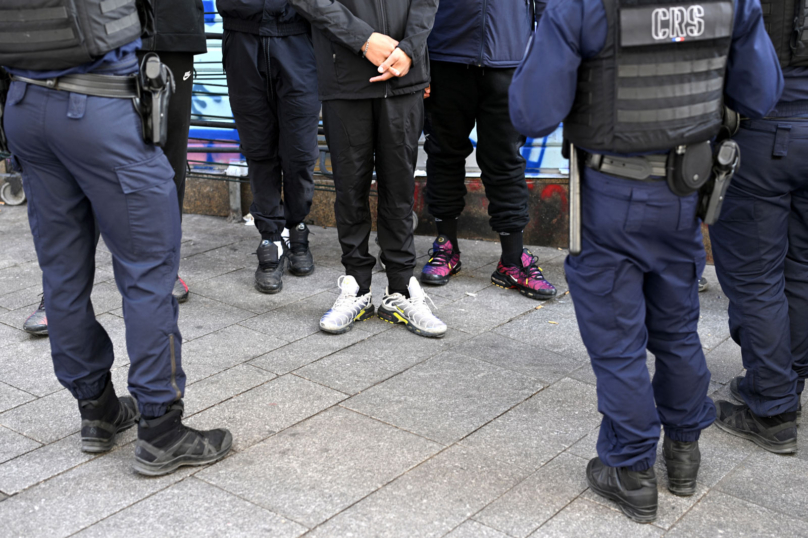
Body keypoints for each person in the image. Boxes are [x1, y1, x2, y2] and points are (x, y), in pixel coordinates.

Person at [509, 0, 782, 523]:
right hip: (685, 193)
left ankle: (630, 469)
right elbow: (761, 95)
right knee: (677, 328)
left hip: (609, 196)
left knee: (618, 341)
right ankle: (683, 451)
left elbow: (532, 113)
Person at [2, 1, 231, 476]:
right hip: (100, 105)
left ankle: (97, 409)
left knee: (62, 273)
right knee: (148, 270)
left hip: (26, 103)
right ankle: (161, 429)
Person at [21, 0, 208, 336]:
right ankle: (62, 294)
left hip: (172, 28)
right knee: (83, 164)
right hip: (98, 29)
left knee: (168, 163)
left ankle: (165, 269)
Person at [287, 0, 447, 338]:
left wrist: (409, 49)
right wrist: (363, 39)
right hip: (344, 75)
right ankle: (356, 287)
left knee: (400, 189)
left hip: (404, 75)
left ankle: (401, 290)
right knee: (349, 188)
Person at [710, 1, 808, 454]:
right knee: (801, 268)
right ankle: (786, 385)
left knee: (755, 278)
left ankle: (773, 407)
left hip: (763, 128)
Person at [419, 0, 557, 302]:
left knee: (505, 161)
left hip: (509, 61)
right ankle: (445, 247)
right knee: (443, 154)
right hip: (445, 56)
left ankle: (512, 260)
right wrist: (417, 56)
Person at [216, 0, 320, 295]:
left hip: (298, 39)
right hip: (242, 39)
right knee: (258, 149)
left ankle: (297, 225)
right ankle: (271, 237)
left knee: (300, 152)